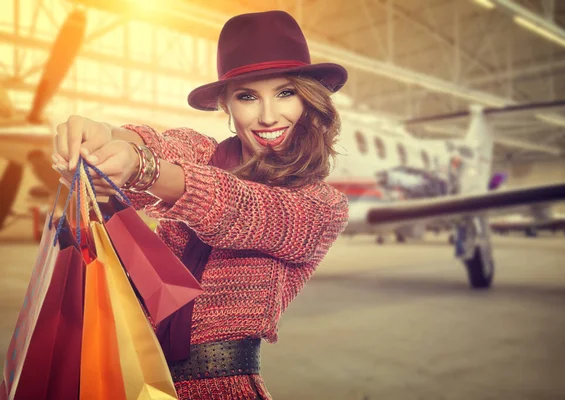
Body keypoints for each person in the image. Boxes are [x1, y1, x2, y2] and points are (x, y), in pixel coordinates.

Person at [52, 10, 349, 400]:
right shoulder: (203, 152)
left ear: (310, 99)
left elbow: (240, 207)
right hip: (127, 379)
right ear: (226, 106)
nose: (268, 116)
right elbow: (161, 145)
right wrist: (104, 133)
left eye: (285, 93)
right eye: (247, 97)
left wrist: (144, 169)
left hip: (221, 388)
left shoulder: (323, 207)